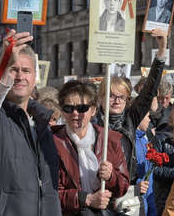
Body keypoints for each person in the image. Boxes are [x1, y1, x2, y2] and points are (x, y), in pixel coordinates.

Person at [0, 30, 61, 215]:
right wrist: (2, 65)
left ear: (35, 78)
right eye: (14, 69)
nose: (20, 76)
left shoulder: (43, 126)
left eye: (26, 70)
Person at [95, 29, 166, 211]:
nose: (116, 100)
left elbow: (149, 90)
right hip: (99, 194)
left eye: (122, 96)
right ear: (101, 98)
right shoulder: (93, 124)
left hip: (127, 194)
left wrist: (161, 52)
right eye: (111, 95)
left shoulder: (130, 119)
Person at [52, 81, 129, 214]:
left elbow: (122, 186)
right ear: (62, 111)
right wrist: (85, 199)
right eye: (68, 108)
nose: (75, 113)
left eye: (82, 108)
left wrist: (111, 177)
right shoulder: (53, 142)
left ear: (93, 110)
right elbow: (50, 192)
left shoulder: (109, 139)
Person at [135, 114, 157, 216]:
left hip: (148, 197)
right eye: (147, 116)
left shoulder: (144, 139)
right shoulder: (131, 140)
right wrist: (136, 184)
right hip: (136, 200)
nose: (149, 120)